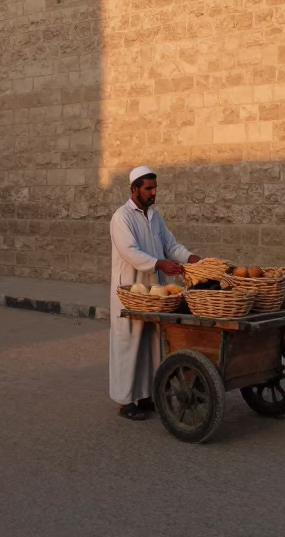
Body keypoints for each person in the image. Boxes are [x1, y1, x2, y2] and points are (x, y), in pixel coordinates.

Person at [109, 167, 201, 420]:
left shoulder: (155, 216)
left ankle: (148, 395)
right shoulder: (122, 217)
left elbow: (170, 245)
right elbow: (129, 251)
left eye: (154, 187)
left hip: (155, 292)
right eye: (148, 188)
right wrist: (159, 263)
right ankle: (126, 402)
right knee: (130, 344)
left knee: (152, 343)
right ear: (134, 189)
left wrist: (190, 258)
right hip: (131, 290)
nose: (153, 192)